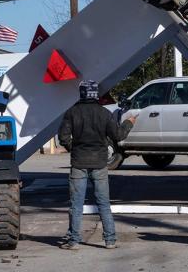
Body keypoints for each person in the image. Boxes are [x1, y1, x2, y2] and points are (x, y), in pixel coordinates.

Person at [57, 80, 136, 250]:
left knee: (76, 204)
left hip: (79, 163)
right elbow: (119, 135)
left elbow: (63, 138)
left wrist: (74, 148)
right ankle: (110, 240)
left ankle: (74, 241)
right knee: (103, 203)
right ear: (96, 94)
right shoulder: (104, 113)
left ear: (81, 93)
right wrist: (129, 122)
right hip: (100, 163)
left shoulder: (72, 113)